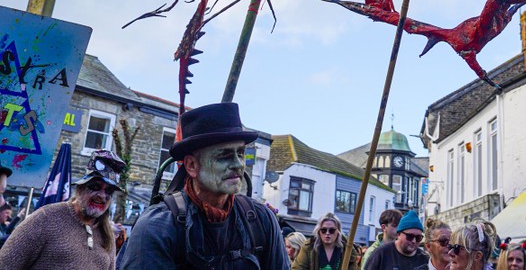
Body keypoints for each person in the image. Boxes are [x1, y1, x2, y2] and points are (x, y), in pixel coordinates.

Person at [121, 102, 288, 269]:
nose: (238, 164)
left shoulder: (261, 220)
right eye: (224, 155)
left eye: (240, 153)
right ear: (192, 165)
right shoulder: (157, 227)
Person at [0, 149, 125, 269]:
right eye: (95, 187)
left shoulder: (107, 233)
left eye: (109, 191)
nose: (102, 196)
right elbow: (5, 264)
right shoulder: (46, 218)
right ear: (80, 188)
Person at [294, 212, 361, 270]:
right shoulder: (308, 248)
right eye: (323, 230)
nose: (327, 233)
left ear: (338, 231)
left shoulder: (347, 250)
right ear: (319, 231)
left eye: (331, 230)